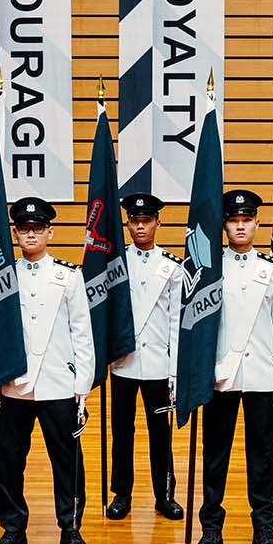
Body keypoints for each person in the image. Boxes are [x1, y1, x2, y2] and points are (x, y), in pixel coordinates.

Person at [196, 189, 273, 544]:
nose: (240, 226)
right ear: (224, 225)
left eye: (246, 219)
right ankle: (211, 526)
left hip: (260, 376)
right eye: (233, 220)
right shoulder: (210, 270)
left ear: (257, 223)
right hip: (221, 377)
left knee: (262, 457)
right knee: (215, 456)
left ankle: (264, 528)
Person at [0, 197, 93, 544]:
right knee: (9, 462)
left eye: (37, 228)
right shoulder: (4, 276)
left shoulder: (69, 275)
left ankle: (71, 527)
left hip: (57, 385)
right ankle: (13, 527)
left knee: (67, 462)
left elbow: (82, 333)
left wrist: (82, 388)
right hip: (14, 386)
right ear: (15, 233)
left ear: (50, 231)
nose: (30, 233)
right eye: (23, 228)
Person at [108, 193, 184, 521]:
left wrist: (176, 370)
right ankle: (121, 495)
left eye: (147, 220)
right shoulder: (115, 263)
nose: (140, 225)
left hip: (157, 364)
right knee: (122, 431)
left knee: (159, 432)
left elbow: (176, 322)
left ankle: (164, 494)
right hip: (123, 363)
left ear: (157, 222)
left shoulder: (172, 267)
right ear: (126, 223)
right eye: (135, 220)